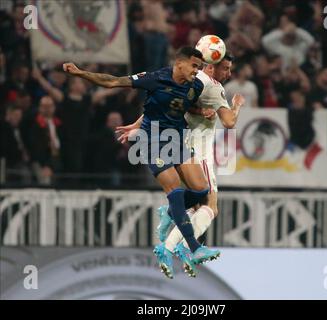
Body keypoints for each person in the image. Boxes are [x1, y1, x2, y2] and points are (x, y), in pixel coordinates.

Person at [63, 47, 220, 279]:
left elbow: (183, 105)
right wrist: (80, 73)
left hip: (178, 139)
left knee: (201, 190)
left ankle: (170, 213)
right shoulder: (155, 78)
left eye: (199, 68)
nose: (197, 72)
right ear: (179, 64)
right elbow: (113, 82)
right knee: (176, 192)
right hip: (153, 140)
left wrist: (204, 110)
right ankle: (189, 247)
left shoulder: (194, 86)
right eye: (194, 66)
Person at [117, 53, 245, 278]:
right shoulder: (212, 87)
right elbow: (229, 122)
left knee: (194, 204)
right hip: (196, 150)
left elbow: (167, 105)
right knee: (209, 207)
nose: (229, 74)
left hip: (179, 145)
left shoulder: (191, 82)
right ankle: (176, 247)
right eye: (225, 68)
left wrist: (138, 124)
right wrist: (236, 106)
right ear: (212, 67)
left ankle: (179, 238)